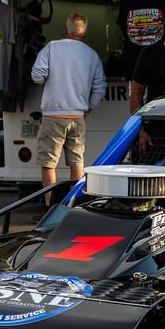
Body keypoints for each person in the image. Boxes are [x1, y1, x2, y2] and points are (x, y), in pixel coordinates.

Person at [30, 12, 108, 208]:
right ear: (85, 31)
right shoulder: (91, 54)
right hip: (78, 117)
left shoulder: (52, 48)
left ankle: (49, 206)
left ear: (66, 29)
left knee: (49, 163)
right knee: (76, 162)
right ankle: (73, 204)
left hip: (53, 116)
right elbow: (100, 86)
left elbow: (37, 75)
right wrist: (89, 106)